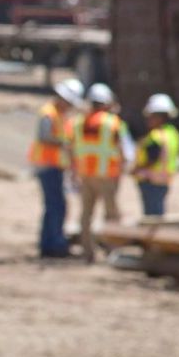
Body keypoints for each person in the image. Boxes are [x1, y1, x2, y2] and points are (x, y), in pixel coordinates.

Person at [29, 78, 83, 258]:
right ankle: (54, 244)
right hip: (47, 166)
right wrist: (65, 143)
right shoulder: (49, 113)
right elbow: (44, 136)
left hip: (55, 166)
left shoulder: (59, 115)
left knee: (54, 206)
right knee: (56, 206)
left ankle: (49, 243)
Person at [73, 83, 127, 262]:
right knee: (111, 214)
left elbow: (73, 148)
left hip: (85, 174)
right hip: (106, 174)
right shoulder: (111, 122)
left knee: (86, 215)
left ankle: (87, 252)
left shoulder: (79, 122)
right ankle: (113, 251)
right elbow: (120, 148)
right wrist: (122, 168)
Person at [132, 93, 179, 216]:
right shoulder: (173, 133)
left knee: (152, 216)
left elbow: (152, 159)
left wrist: (136, 169)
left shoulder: (156, 136)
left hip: (150, 180)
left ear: (160, 117)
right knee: (158, 212)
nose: (148, 120)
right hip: (165, 179)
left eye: (151, 116)